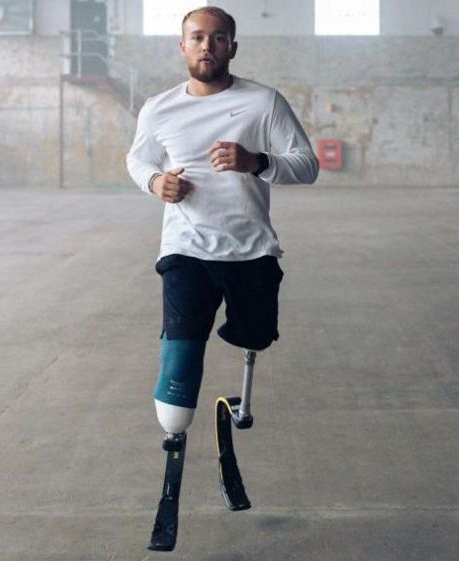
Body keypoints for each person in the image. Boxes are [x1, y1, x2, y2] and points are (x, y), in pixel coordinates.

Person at [126, 6, 318, 442]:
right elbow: (138, 159)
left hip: (250, 248)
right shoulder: (159, 109)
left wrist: (257, 161)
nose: (206, 46)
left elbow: (307, 165)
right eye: (196, 37)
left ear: (232, 46)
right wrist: (156, 182)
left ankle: (242, 404)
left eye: (217, 38)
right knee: (181, 351)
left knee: (257, 335)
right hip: (185, 247)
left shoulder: (263, 101)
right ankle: (174, 436)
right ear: (182, 47)